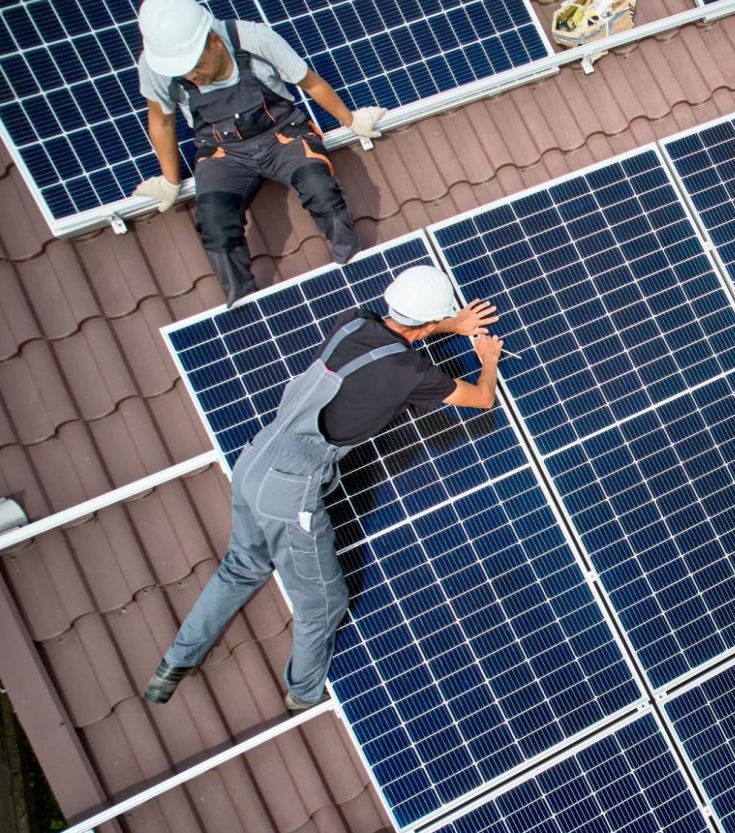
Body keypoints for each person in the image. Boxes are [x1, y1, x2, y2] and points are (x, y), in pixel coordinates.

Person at [144, 266, 504, 710]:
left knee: (241, 567)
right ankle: (302, 691)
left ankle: (174, 664)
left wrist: (451, 322)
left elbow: (402, 333)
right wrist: (487, 358)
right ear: (429, 323)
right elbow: (481, 399)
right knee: (324, 602)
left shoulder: (352, 320)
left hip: (255, 460)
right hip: (290, 490)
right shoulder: (411, 374)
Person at [132, 0, 389, 306]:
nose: (192, 78)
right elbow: (161, 121)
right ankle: (244, 304)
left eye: (196, 68)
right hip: (222, 151)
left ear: (213, 41)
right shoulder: (158, 65)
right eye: (184, 74)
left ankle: (353, 262)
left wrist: (351, 120)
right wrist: (171, 181)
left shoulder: (253, 39)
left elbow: (310, 83)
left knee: (318, 186)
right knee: (214, 220)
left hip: (282, 134)